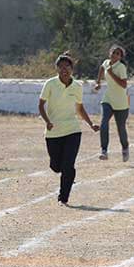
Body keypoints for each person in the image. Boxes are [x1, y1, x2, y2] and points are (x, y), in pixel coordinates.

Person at [38, 53, 100, 205]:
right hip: (54, 132)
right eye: (61, 67)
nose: (64, 70)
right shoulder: (50, 84)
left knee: (68, 165)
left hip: (73, 130)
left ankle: (63, 197)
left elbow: (79, 108)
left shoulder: (77, 87)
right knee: (56, 166)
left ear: (72, 69)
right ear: (57, 69)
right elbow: (41, 105)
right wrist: (47, 121)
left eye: (67, 67)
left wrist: (90, 124)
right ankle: (62, 171)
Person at [94, 44, 130, 162]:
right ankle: (104, 150)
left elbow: (124, 85)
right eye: (113, 52)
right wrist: (98, 82)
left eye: (117, 54)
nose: (114, 55)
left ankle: (125, 148)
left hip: (121, 102)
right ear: (109, 53)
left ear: (120, 57)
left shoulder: (121, 67)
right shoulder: (106, 63)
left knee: (121, 128)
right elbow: (101, 68)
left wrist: (111, 74)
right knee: (104, 122)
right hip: (108, 99)